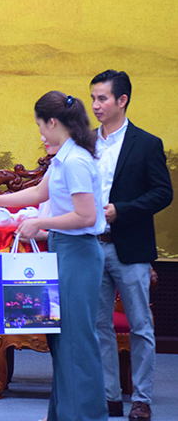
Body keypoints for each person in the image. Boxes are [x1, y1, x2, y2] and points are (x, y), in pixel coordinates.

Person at [0, 91, 108, 421]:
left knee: (77, 344)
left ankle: (85, 415)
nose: (41, 134)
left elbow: (86, 217)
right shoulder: (65, 158)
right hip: (65, 252)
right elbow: (40, 191)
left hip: (79, 255)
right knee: (63, 344)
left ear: (54, 122)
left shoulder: (75, 161)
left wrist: (39, 223)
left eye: (41, 126)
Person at [91, 70, 172, 420]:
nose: (95, 105)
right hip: (90, 247)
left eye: (103, 98)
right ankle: (109, 395)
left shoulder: (146, 143)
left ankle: (141, 399)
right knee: (98, 326)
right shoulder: (83, 143)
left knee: (140, 326)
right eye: (93, 98)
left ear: (122, 100)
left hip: (130, 247)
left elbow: (162, 193)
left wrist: (120, 212)